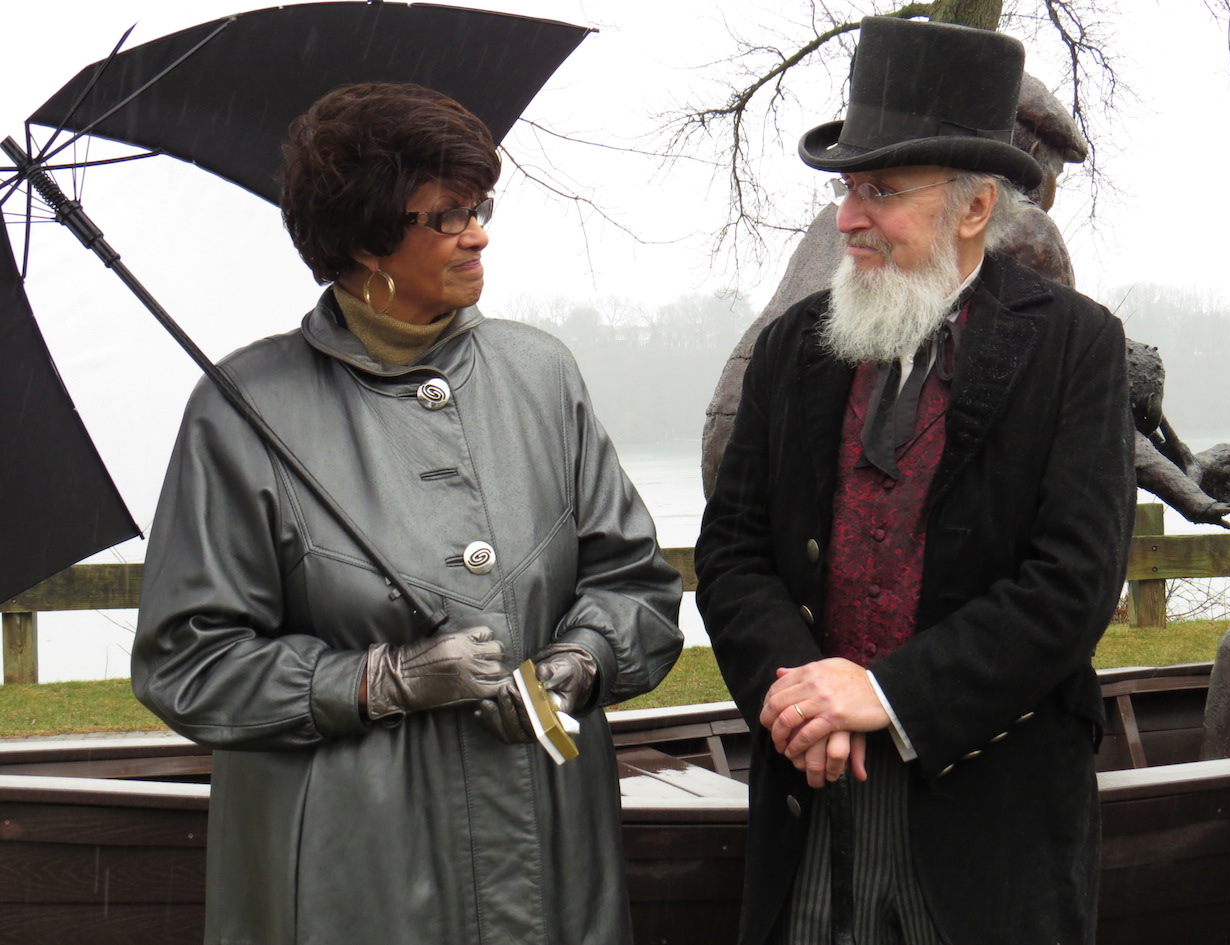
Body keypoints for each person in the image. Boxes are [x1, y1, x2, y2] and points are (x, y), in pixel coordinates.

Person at [132, 82, 683, 945]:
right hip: (353, 879)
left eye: (481, 205)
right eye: (449, 214)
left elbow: (635, 582)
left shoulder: (540, 374)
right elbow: (187, 659)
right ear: (364, 240)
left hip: (553, 857)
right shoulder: (242, 410)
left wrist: (581, 659)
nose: (479, 232)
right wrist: (375, 680)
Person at [695, 17, 1134, 945]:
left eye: (882, 191)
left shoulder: (1076, 345)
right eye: (849, 188)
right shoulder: (792, 347)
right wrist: (802, 698)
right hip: (812, 804)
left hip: (992, 821)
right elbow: (731, 552)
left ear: (973, 209)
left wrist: (892, 695)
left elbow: (1074, 581)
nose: (847, 218)